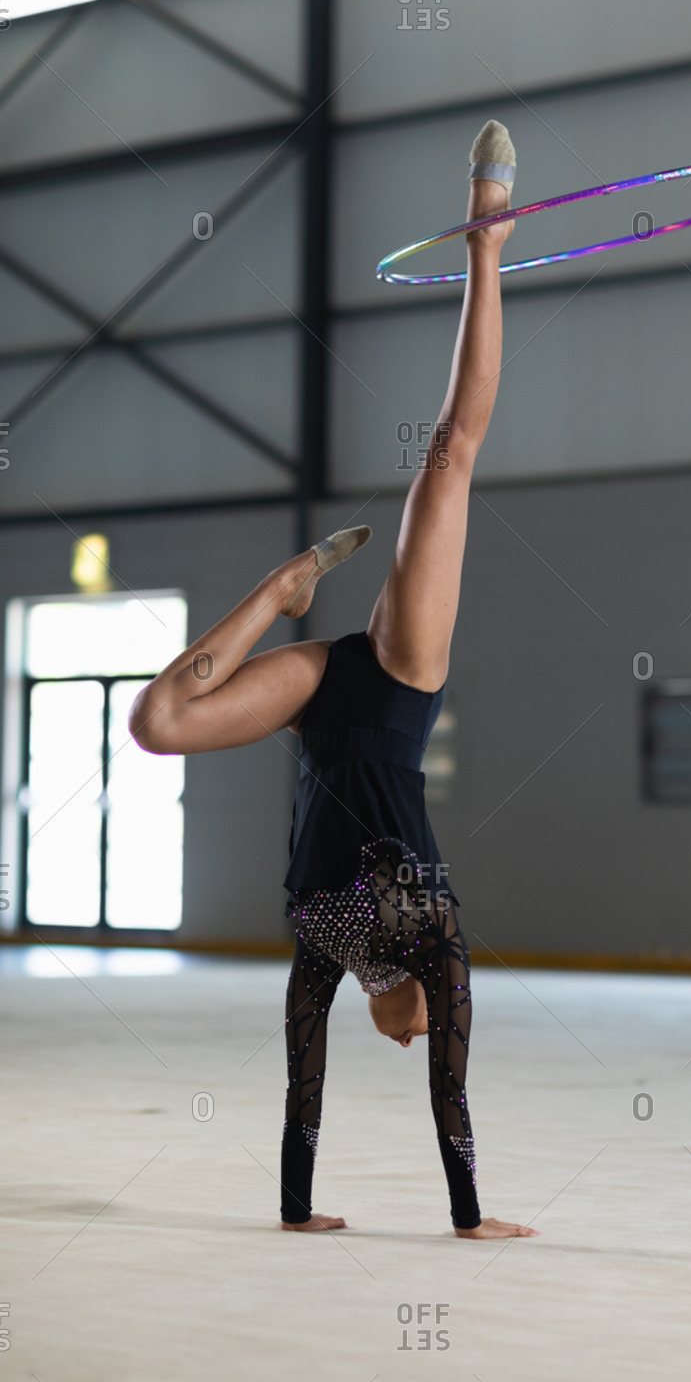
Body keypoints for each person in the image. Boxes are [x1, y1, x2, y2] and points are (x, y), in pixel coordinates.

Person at [130, 121, 537, 1243]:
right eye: (416, 1031)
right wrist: (469, 1221)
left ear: (385, 1010)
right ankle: (488, 239)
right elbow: (448, 1097)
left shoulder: (325, 945)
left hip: (333, 704)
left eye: (401, 1031)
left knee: (159, 726)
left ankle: (283, 576)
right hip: (396, 682)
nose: (413, 1036)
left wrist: (298, 1216)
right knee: (449, 454)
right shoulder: (437, 948)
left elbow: (303, 1093)